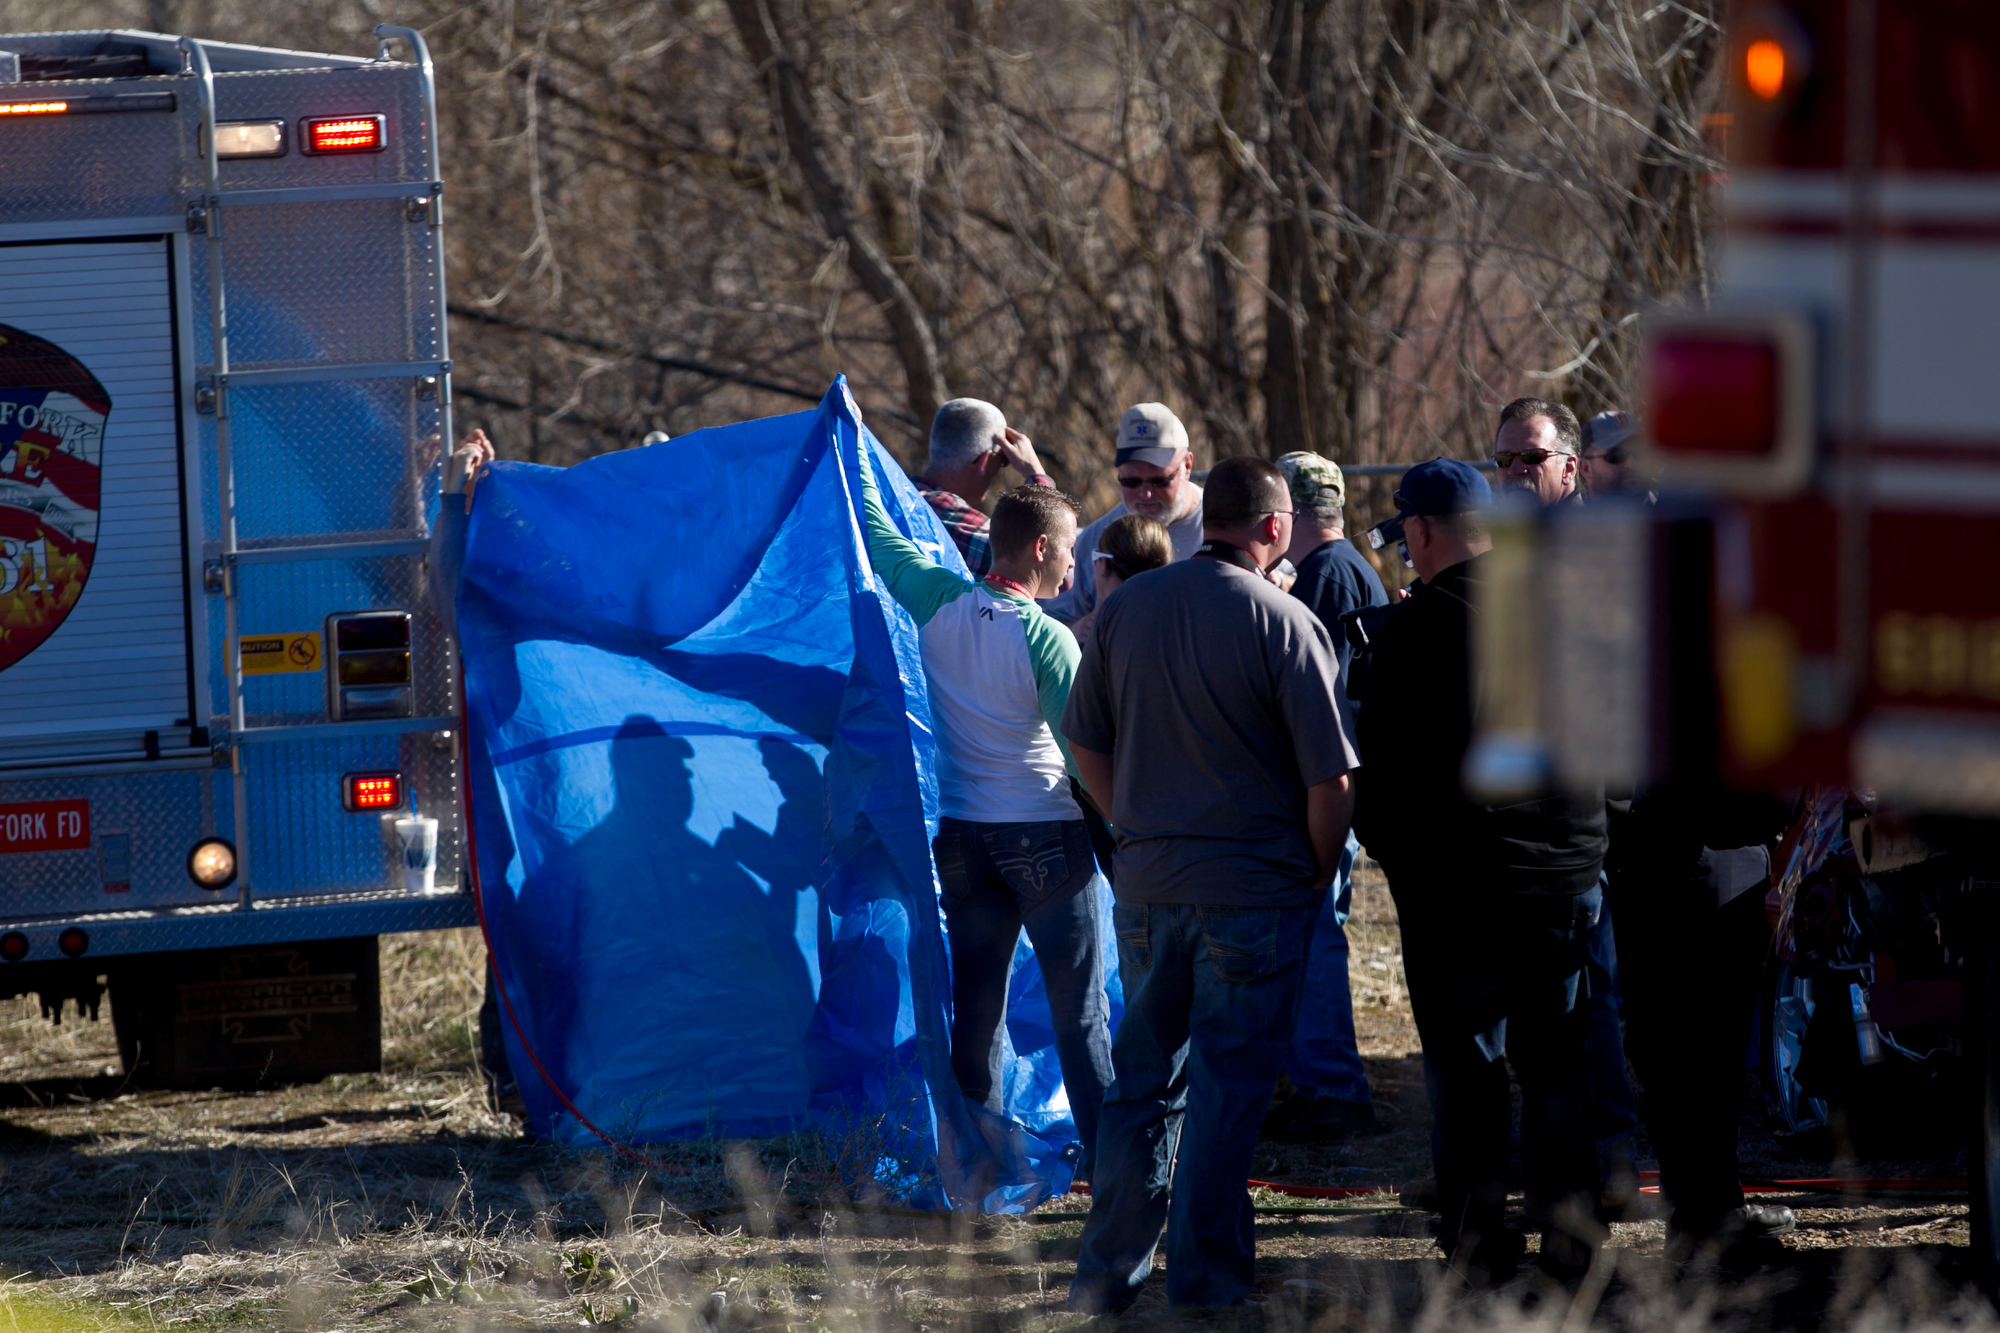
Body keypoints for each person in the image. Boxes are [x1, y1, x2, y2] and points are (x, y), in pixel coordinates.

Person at [1062, 456, 1357, 1312]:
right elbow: (1332, 781)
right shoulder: (1287, 622)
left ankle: (1105, 1281)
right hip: (1254, 891)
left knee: (1141, 1086)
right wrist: (1312, 866)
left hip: (1148, 883)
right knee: (1229, 1092)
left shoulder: (1125, 612)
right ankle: (1207, 1290)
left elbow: (1087, 746)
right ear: (1273, 528)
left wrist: (1133, 827)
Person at [1353, 458, 1607, 1282]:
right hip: (1558, 882)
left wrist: (1407, 868)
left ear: (1421, 533)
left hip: (1456, 894)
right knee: (1556, 1063)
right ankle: (1571, 1238)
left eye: (1406, 536)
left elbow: (1378, 782)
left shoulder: (1412, 633)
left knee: (1467, 1075)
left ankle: (1475, 1242)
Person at [855, 451, 1116, 1179]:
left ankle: (976, 1162)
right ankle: (1105, 1161)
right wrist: (1133, 829)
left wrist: (856, 446)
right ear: (1040, 547)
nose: (1073, 567)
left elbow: (878, 534)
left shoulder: (938, 599)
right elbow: (1084, 760)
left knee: (978, 1012)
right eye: (1069, 550)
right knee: (1081, 1012)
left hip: (965, 841)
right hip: (1045, 838)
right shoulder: (1048, 638)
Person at [1607, 787, 1797, 1257]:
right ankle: (1706, 1215)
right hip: (1705, 846)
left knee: (1671, 1045)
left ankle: (1701, 1207)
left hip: (1649, 846)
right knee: (1705, 1047)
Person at [1262, 452, 1386, 1144]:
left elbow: (1314, 699)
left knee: (1316, 936)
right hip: (1326, 783)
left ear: (1289, 508)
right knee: (1310, 933)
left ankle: (1337, 1090)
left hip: (1325, 786)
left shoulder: (1326, 575)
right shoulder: (1337, 568)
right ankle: (1318, 1084)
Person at [429, 428, 526, 1124]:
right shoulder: (503, 618)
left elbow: (447, 587)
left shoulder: (510, 616)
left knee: (522, 938)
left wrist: (458, 497)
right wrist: (455, 499)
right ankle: (516, 1078)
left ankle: (517, 1078)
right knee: (521, 935)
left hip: (526, 806)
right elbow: (449, 586)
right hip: (517, 804)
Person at [1042, 403, 1204, 631]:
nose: (1145, 494)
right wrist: (1082, 627)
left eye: (1160, 481)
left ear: (1187, 465)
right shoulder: (1096, 538)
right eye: (1131, 481)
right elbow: (1047, 620)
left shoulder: (1224, 523)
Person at [913, 397, 1055, 577]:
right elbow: (1049, 570)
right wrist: (1037, 476)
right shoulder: (947, 517)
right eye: (1003, 460)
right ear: (984, 461)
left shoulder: (892, 491)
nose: (999, 469)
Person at [1493, 397, 1583, 507]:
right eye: (1504, 459)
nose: (1515, 470)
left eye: (1532, 456)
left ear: (1569, 468)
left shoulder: (1593, 523)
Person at [1580, 410, 1643, 498]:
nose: (1631, 464)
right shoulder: (1566, 511)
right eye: (1617, 455)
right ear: (1585, 468)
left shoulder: (1665, 510)